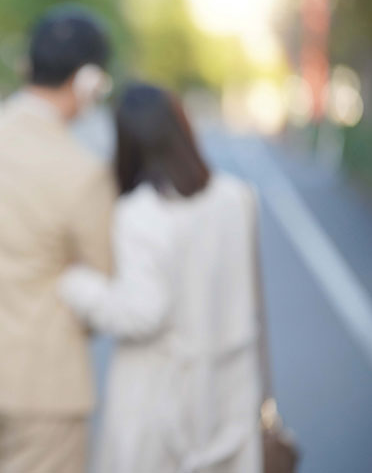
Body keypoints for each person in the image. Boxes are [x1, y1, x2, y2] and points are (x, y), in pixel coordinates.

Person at [0, 7, 117, 473]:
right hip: (45, 385)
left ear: (25, 66)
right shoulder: (83, 173)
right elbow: (105, 285)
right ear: (90, 80)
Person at [60, 83, 263, 473]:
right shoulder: (237, 197)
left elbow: (140, 314)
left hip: (161, 402)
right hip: (229, 393)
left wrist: (77, 285)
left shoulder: (141, 213)